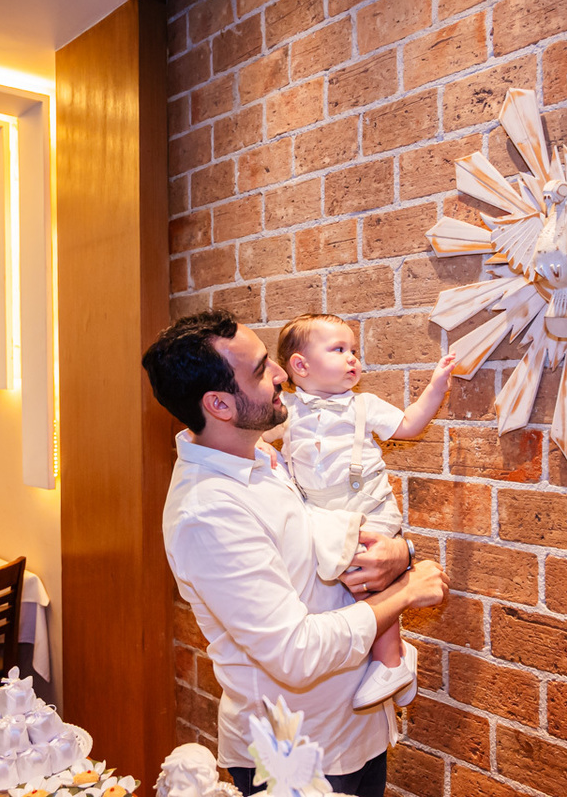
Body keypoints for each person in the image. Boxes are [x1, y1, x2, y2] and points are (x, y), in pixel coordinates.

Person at [142, 311, 449, 797]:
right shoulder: (207, 514)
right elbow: (295, 651)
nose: (283, 373)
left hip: (354, 726)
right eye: (263, 369)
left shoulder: (265, 455)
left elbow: (325, 539)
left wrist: (398, 553)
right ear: (220, 403)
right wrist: (407, 592)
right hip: (295, 754)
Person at [271, 314, 455, 711]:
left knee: (365, 571)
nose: (353, 358)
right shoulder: (287, 410)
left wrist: (436, 387)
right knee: (349, 574)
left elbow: (408, 424)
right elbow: (255, 440)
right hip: (324, 513)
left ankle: (390, 662)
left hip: (369, 509)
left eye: (354, 350)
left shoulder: (363, 405)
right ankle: (398, 655)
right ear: (300, 366)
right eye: (339, 350)